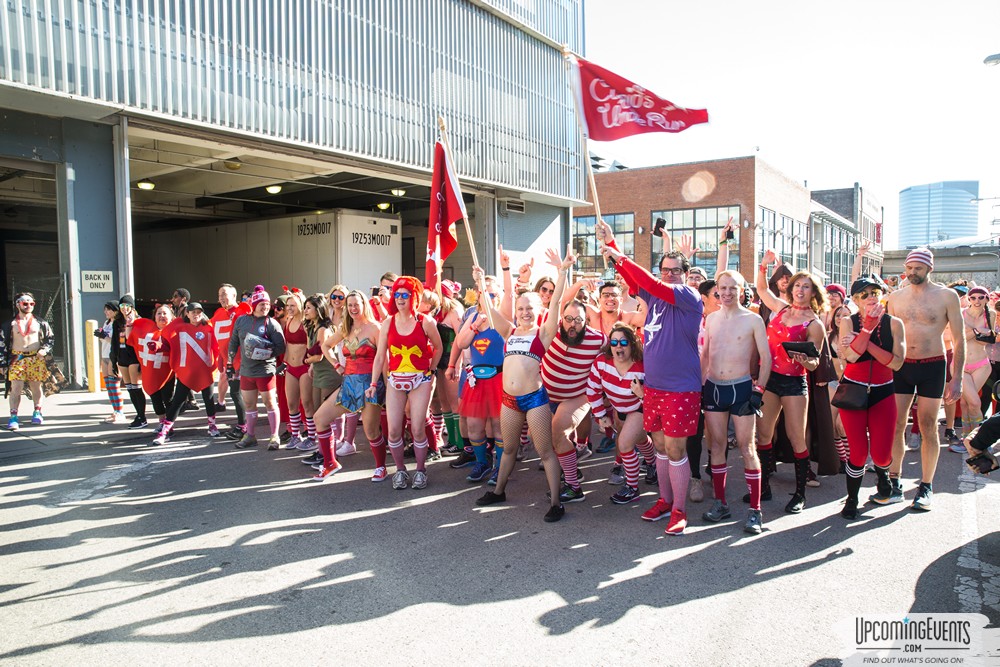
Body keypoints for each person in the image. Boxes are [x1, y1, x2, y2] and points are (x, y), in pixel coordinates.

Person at [600, 222, 704, 536]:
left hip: (680, 388)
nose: (669, 273)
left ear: (685, 273)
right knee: (659, 446)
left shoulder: (687, 295)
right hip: (654, 387)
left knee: (675, 450)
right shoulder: (656, 297)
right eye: (665, 269)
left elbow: (649, 282)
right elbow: (635, 280)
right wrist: (613, 245)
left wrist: (619, 255)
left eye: (675, 269)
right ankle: (664, 500)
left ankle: (680, 509)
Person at [475, 246, 574, 522]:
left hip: (534, 399)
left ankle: (556, 502)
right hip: (509, 400)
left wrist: (562, 271)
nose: (525, 312)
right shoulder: (509, 330)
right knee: (508, 448)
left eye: (530, 308)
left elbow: (556, 304)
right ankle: (498, 491)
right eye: (521, 309)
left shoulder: (542, 334)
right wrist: (481, 282)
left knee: (544, 451)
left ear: (537, 310)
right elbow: (489, 306)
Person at [885, 248, 965, 511]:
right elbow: (889, 336)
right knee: (897, 423)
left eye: (918, 268)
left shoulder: (947, 296)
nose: (912, 273)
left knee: (928, 424)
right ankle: (894, 482)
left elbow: (959, 338)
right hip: (902, 365)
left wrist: (958, 378)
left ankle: (926, 485)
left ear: (930, 268)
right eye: (909, 268)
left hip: (933, 365)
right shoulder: (895, 298)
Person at [755, 249, 828, 514]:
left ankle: (800, 494)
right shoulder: (781, 309)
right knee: (763, 434)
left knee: (796, 437)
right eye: (797, 284)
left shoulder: (815, 324)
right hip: (770, 379)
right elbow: (762, 290)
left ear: (813, 293)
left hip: (795, 383)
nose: (800, 289)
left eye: (806, 286)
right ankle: (763, 487)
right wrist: (763, 266)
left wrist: (803, 359)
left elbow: (815, 362)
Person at [700, 270, 772, 534]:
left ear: (742, 290)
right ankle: (721, 503)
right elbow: (706, 355)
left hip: (742, 388)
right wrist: (699, 387)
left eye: (733, 288)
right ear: (716, 290)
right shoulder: (711, 319)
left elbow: (766, 357)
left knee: (746, 447)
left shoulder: (753, 320)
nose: (727, 293)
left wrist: (758, 391)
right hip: (714, 389)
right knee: (717, 446)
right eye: (723, 288)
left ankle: (755, 510)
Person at [366, 276, 443, 490]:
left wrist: (431, 371)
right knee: (393, 431)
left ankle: (420, 470)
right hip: (395, 379)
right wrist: (374, 383)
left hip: (420, 379)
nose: (400, 298)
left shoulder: (424, 321)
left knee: (417, 428)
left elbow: (438, 347)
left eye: (405, 295)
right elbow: (380, 356)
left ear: (414, 297)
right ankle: (400, 471)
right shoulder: (388, 323)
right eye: (397, 294)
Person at [837, 277, 906, 519]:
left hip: (883, 390)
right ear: (855, 301)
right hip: (853, 390)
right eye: (864, 295)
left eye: (874, 292)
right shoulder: (847, 321)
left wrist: (863, 343)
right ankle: (852, 499)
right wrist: (866, 330)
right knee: (857, 452)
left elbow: (897, 363)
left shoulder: (895, 324)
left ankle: (884, 475)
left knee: (881, 453)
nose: (870, 297)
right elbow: (851, 358)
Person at [312, 290, 386, 481]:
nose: (353, 308)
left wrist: (387, 386)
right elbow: (325, 346)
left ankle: (381, 467)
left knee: (371, 431)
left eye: (356, 304)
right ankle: (330, 463)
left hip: (371, 385)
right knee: (320, 418)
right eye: (350, 305)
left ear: (364, 305)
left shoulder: (375, 328)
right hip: (349, 384)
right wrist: (337, 364)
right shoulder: (345, 328)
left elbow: (383, 359)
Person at [586, 323, 653, 505]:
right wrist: (601, 415)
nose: (618, 346)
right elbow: (592, 389)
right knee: (639, 439)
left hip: (639, 407)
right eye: (614, 342)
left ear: (632, 344)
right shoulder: (601, 362)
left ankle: (632, 487)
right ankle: (652, 464)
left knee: (624, 444)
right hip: (619, 410)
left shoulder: (643, 365)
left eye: (624, 342)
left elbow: (656, 396)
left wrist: (642, 394)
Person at [448, 270, 505, 483]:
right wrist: (475, 325)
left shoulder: (504, 315)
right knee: (473, 425)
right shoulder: (472, 316)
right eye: (485, 294)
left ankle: (500, 467)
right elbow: (461, 343)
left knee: (499, 426)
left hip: (499, 378)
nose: (489, 298)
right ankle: (482, 463)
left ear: (499, 295)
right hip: (476, 379)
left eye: (493, 294)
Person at [152, 302, 221, 445]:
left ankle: (212, 425)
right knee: (177, 401)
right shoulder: (179, 327)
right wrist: (158, 346)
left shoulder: (209, 327)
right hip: (186, 371)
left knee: (208, 399)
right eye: (192, 312)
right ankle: (164, 431)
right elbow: (167, 341)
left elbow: (218, 346)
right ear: (187, 314)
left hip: (205, 370)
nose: (196, 315)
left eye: (198, 312)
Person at [228, 285, 287, 450]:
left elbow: (281, 347)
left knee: (270, 403)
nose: (265, 307)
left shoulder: (272, 323)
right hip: (246, 371)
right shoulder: (241, 320)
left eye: (267, 304)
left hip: (265, 371)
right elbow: (233, 342)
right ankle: (250, 436)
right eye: (262, 304)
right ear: (254, 305)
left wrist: (264, 352)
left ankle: (274, 436)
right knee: (249, 405)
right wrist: (230, 362)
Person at [1, 293, 55, 431]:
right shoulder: (9, 325)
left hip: (35, 359)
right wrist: (2, 363)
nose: (29, 306)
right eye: (25, 303)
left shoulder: (41, 323)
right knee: (15, 388)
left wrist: (44, 350)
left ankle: (37, 411)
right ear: (17, 304)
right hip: (17, 358)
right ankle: (13, 416)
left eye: (32, 303)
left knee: (36, 387)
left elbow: (50, 339)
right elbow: (1, 344)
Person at [211, 284, 251, 439]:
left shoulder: (241, 311)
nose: (221, 297)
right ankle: (243, 425)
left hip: (241, 361)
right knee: (235, 393)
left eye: (225, 294)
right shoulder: (218, 314)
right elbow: (220, 340)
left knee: (236, 393)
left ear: (234, 295)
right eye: (219, 294)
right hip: (228, 361)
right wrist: (221, 359)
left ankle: (244, 427)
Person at [960, 286, 994, 441]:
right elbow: (958, 340)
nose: (977, 301)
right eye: (973, 297)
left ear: (987, 299)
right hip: (961, 365)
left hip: (981, 364)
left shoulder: (991, 315)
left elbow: (987, 342)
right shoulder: (961, 314)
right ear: (969, 299)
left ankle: (977, 440)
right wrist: (975, 331)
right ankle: (968, 438)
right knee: (966, 403)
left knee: (972, 403)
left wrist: (979, 334)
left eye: (981, 297)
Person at [94, 301, 126, 423]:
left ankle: (120, 412)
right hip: (104, 355)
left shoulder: (119, 324)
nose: (106, 312)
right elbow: (105, 340)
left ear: (116, 310)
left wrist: (104, 337)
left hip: (114, 356)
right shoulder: (107, 323)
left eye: (109, 309)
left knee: (114, 385)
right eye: (105, 309)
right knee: (109, 386)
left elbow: (119, 341)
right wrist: (101, 335)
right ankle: (115, 411)